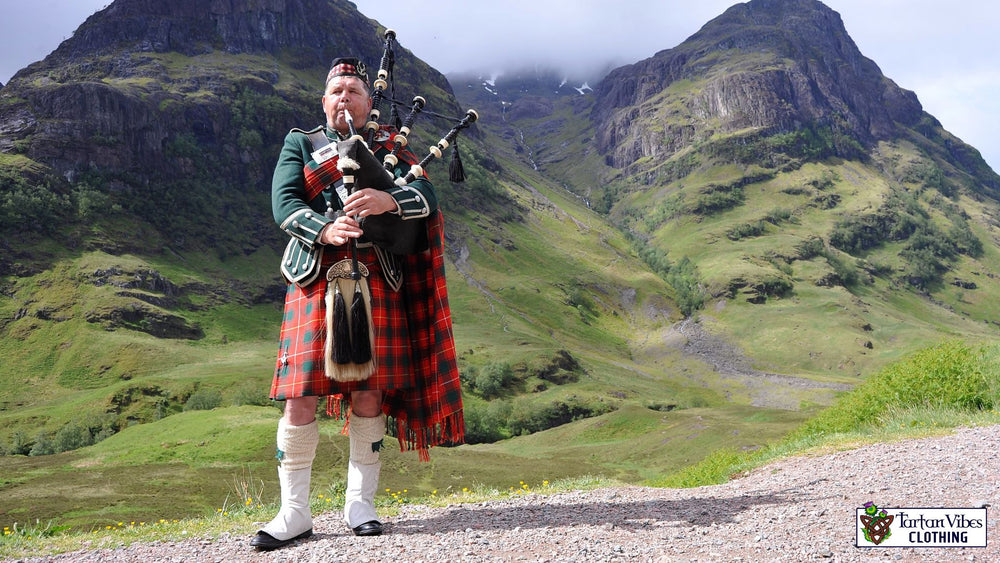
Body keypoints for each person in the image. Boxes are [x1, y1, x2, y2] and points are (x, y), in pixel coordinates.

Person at [250, 57, 465, 551]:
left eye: (354, 91)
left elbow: (427, 195)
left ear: (370, 103)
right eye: (336, 91)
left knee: (369, 393)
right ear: (324, 102)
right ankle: (294, 513)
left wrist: (389, 201)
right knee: (299, 396)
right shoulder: (301, 143)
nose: (345, 97)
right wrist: (323, 227)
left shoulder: (391, 147)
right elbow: (284, 202)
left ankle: (360, 504)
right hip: (315, 278)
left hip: (376, 276)